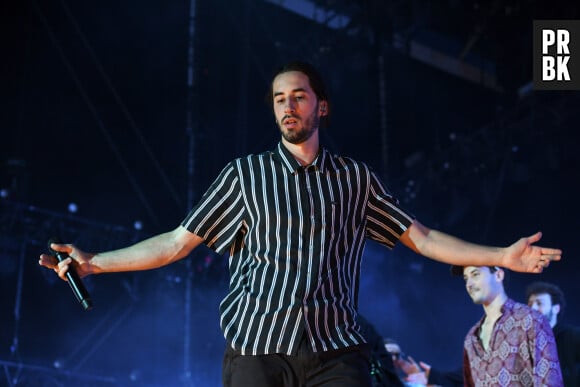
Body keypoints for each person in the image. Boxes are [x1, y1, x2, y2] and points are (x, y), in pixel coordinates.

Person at [39, 61, 562, 387]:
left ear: (321, 106)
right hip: (257, 350)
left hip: (335, 353)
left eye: (299, 96)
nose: (288, 106)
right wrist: (95, 264)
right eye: (278, 98)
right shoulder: (244, 176)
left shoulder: (355, 180)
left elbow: (421, 238)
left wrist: (498, 255)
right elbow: (176, 242)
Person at [452, 265, 563, 386]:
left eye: (475, 274)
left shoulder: (531, 320)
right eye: (466, 278)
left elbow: (550, 382)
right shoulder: (471, 338)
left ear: (498, 275)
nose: (469, 284)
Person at [526, 281, 580, 387]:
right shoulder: (525, 342)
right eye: (530, 304)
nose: (533, 308)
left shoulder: (573, 336)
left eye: (539, 303)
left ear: (556, 308)